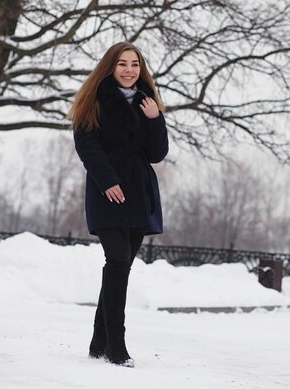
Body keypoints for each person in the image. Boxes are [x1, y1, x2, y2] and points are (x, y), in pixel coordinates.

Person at [69, 42, 169, 367]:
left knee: (120, 267)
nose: (129, 70)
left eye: (135, 64)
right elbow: (86, 145)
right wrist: (107, 180)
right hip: (107, 191)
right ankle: (116, 345)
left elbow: (156, 154)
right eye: (122, 64)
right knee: (118, 260)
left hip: (139, 193)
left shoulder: (147, 103)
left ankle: (99, 341)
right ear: (111, 67)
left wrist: (156, 120)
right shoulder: (94, 100)